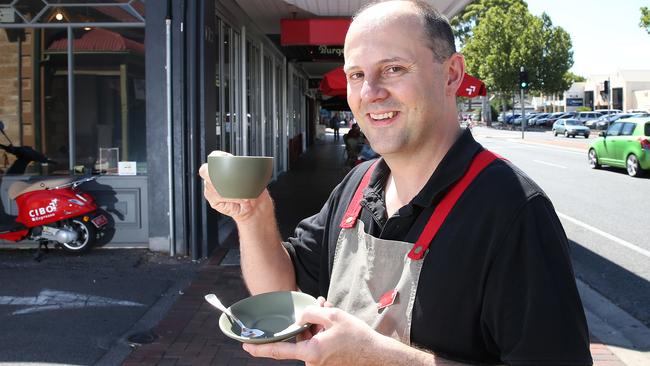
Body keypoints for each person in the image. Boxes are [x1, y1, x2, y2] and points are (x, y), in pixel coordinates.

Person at [198, 1, 592, 365]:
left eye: (393, 69)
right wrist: (253, 214)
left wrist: (376, 355)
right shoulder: (355, 187)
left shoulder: (513, 212)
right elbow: (281, 294)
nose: (370, 93)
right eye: (356, 75)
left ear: (451, 74)